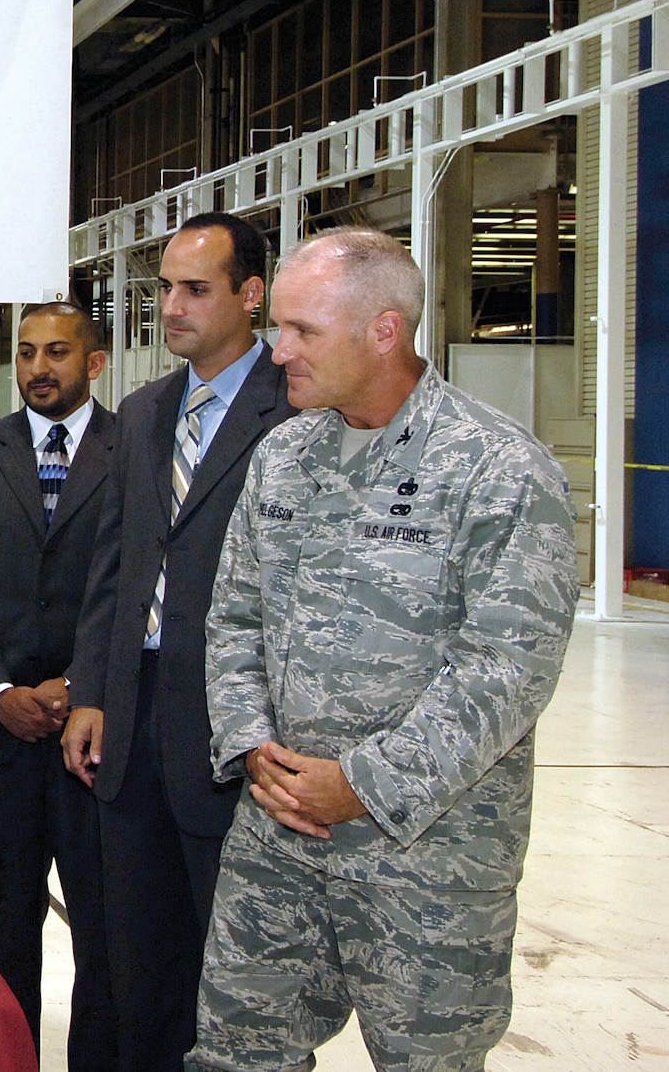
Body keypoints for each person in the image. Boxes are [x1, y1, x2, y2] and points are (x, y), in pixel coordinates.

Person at [191, 229, 577, 1071]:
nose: (277, 348)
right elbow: (234, 618)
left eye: (302, 330)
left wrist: (359, 785)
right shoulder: (285, 456)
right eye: (278, 326)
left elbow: (506, 671)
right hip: (278, 837)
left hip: (428, 858)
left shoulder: (498, 469)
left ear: (384, 330)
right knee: (235, 1053)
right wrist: (253, 746)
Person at [61, 211, 295, 1072]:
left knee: (230, 959)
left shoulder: (296, 406)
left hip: (236, 725)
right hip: (132, 714)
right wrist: (91, 689)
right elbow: (115, 565)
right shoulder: (147, 409)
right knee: (136, 952)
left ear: (252, 294)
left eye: (196, 288)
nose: (171, 305)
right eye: (164, 287)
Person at [0, 301, 117, 1070]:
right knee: (3, 922)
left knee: (105, 926)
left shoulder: (131, 450)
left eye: (59, 352)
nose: (39, 367)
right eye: (28, 353)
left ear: (94, 363)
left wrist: (78, 685)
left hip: (94, 737)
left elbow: (134, 580)